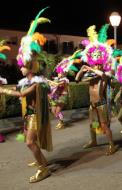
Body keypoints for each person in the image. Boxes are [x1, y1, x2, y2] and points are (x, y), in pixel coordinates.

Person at [0, 7, 52, 183]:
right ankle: (42, 162)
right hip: (29, 115)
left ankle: (43, 169)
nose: (19, 67)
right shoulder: (27, 81)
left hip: (36, 116)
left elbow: (22, 94)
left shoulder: (37, 82)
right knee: (30, 142)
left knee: (30, 142)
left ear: (29, 66)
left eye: (22, 64)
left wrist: (3, 90)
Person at [76, 24, 117, 155]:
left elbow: (104, 76)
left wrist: (92, 69)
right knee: (92, 124)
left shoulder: (105, 73)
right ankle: (93, 141)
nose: (95, 64)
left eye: (98, 63)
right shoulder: (90, 74)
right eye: (94, 63)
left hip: (101, 104)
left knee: (104, 126)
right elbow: (77, 80)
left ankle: (112, 145)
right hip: (92, 104)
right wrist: (82, 70)